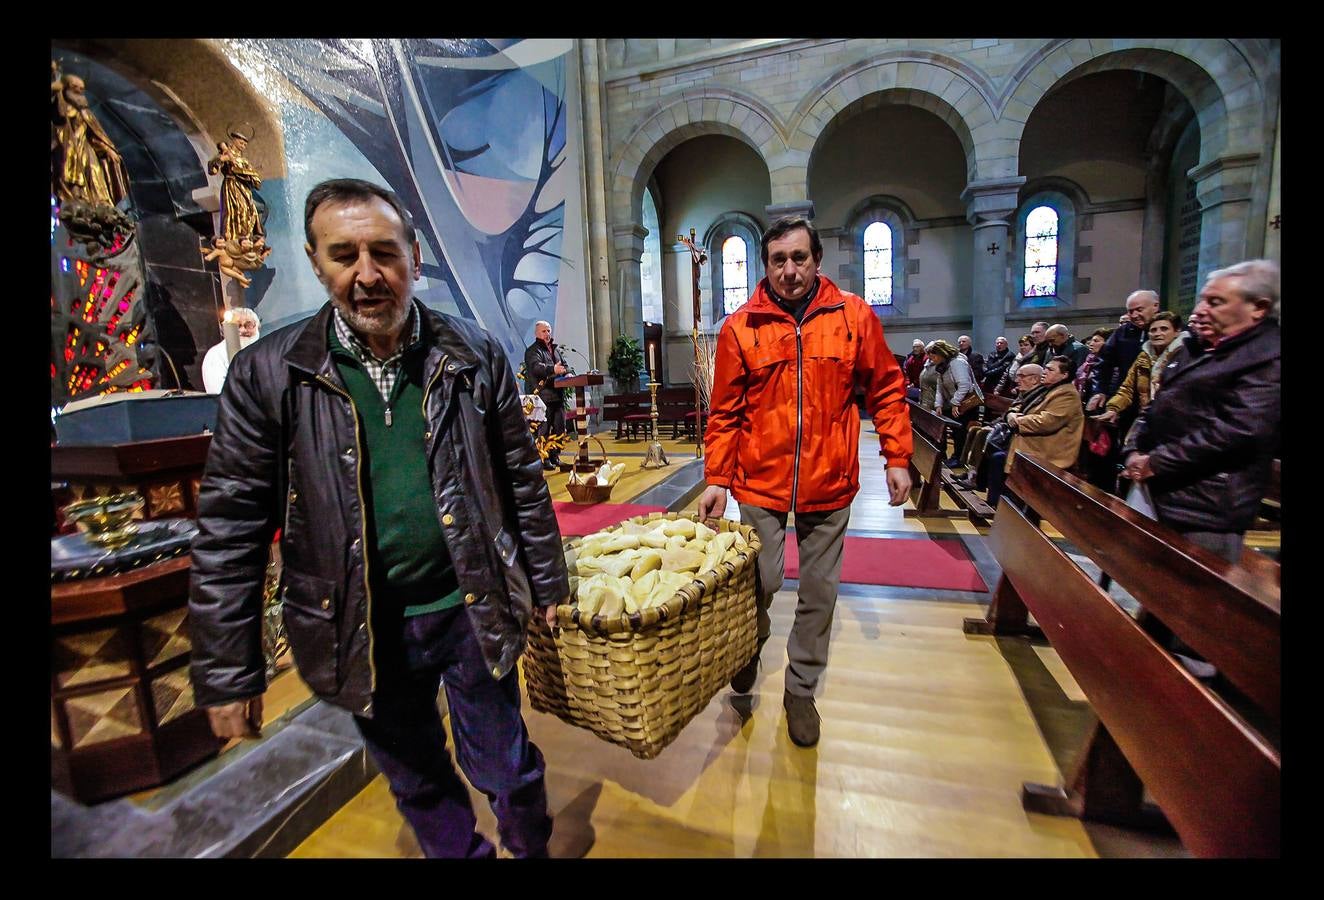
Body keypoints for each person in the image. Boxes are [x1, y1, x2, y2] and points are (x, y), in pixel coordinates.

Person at [187, 179, 569, 859]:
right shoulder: (269, 375)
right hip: (355, 625)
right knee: (416, 778)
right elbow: (230, 527)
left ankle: (530, 846)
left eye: (384, 252)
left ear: (414, 257)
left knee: (506, 764)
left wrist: (548, 586)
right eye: (344, 254)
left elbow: (520, 479)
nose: (367, 274)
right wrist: (228, 671)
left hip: (469, 605)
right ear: (315, 260)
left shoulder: (473, 355)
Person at [696, 215, 912, 749]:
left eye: (799, 258)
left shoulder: (852, 316)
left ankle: (800, 690)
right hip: (759, 480)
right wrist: (716, 478)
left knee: (820, 592)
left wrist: (897, 455)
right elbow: (723, 412)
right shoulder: (740, 327)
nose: (789, 270)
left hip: (829, 479)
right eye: (778, 260)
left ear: (816, 260)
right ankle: (748, 649)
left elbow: (886, 387)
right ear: (765, 266)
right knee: (760, 581)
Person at [1122, 260, 1281, 563]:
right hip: (1161, 492)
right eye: (1203, 298)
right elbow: (1157, 405)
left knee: (1192, 601)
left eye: (1215, 302)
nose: (1201, 309)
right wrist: (1132, 450)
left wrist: (1156, 461)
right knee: (1155, 588)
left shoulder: (1267, 358)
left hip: (1207, 506)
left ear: (1257, 308)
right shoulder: (1198, 348)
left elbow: (1239, 430)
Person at [984, 356, 1084, 509]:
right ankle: (998, 506)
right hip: (1030, 446)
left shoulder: (1067, 394)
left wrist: (1018, 421)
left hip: (1046, 452)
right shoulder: (1047, 389)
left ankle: (1008, 511)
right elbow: (1019, 405)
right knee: (995, 454)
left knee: (999, 458)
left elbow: (1047, 422)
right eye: (1045, 368)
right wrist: (1011, 414)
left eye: (1050, 369)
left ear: (1064, 375)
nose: (1045, 371)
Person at [1092, 312, 1185, 433]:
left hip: (1178, 425)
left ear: (1176, 331)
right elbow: (1127, 389)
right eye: (1153, 330)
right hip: (1147, 422)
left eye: (1164, 329)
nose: (1158, 333)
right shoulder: (1143, 358)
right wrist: (1113, 409)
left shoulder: (1186, 356)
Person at [1086, 290, 1160, 412]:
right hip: (1127, 400)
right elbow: (1103, 363)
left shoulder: (1174, 331)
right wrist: (1100, 391)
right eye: (1131, 311)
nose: (1135, 315)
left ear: (1155, 306)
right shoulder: (1121, 333)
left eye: (1139, 310)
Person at [523, 320, 571, 471]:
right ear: (537, 333)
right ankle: (543, 459)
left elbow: (564, 365)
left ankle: (554, 456)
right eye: (544, 331)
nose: (547, 334)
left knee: (559, 429)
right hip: (543, 397)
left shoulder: (555, 350)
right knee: (543, 431)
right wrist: (553, 369)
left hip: (557, 396)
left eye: (549, 330)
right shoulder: (533, 350)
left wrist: (568, 372)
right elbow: (536, 368)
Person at [927, 339, 982, 467]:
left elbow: (964, 385)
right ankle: (950, 456)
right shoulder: (942, 365)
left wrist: (955, 402)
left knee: (960, 432)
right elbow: (940, 387)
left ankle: (959, 458)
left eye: (933, 357)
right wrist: (938, 405)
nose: (932, 360)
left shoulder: (957, 362)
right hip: (955, 402)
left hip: (966, 403)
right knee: (947, 425)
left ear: (941, 353)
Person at [208, 127, 265, 245]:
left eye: (245, 144)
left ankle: (246, 238)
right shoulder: (225, 154)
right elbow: (212, 170)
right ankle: (231, 239)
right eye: (241, 142)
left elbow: (256, 180)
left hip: (244, 189)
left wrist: (249, 175)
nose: (243, 145)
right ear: (233, 140)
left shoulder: (244, 161)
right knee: (233, 212)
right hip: (231, 186)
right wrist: (223, 158)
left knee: (248, 212)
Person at [201, 307, 261, 394]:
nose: (243, 330)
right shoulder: (216, 355)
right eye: (237, 325)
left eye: (249, 325)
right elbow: (219, 393)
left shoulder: (262, 352)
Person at [1073, 328, 1112, 396]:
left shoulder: (1111, 363)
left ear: (1107, 343)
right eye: (1091, 341)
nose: (1091, 344)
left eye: (1096, 341)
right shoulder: (1088, 361)